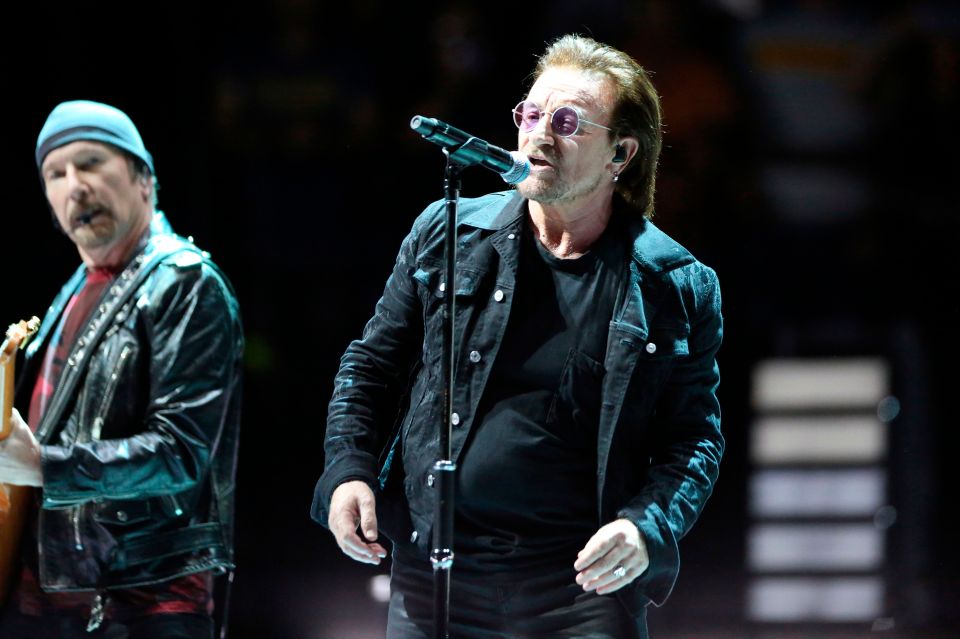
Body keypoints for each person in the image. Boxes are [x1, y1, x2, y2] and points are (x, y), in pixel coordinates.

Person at [312, 34, 723, 638]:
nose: (539, 135)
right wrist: (348, 470)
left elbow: (693, 439)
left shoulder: (672, 283)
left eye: (567, 122)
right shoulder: (447, 234)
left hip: (580, 593)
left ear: (621, 154)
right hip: (437, 577)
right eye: (531, 115)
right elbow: (371, 366)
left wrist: (646, 526)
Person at [0, 100, 244, 638]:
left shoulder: (184, 282)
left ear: (143, 179)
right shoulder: (74, 291)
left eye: (90, 163)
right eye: (55, 174)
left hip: (141, 603)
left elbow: (181, 454)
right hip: (52, 596)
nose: (74, 186)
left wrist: (44, 465)